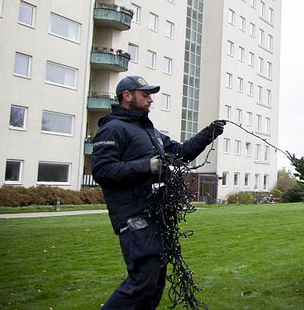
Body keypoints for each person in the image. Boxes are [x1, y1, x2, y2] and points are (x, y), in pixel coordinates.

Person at [91, 75, 226, 309]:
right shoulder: (113, 129)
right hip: (133, 215)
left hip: (154, 213)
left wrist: (208, 133)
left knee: (155, 283)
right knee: (142, 281)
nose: (150, 99)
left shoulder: (149, 131)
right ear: (127, 96)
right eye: (145, 94)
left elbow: (181, 152)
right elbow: (102, 170)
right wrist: (147, 166)